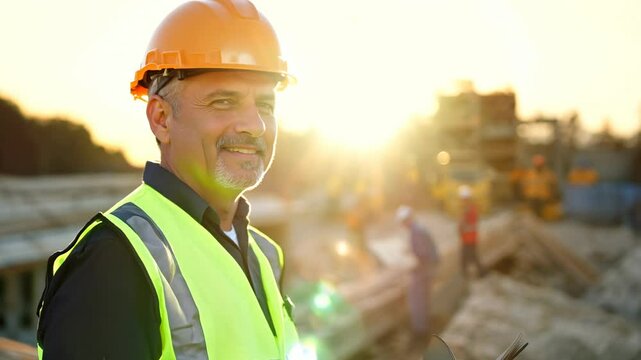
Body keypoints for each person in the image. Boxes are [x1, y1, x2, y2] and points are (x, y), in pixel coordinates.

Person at [35, 1, 299, 359]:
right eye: (224, 101)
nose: (255, 125)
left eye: (265, 105)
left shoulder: (265, 255)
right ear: (161, 118)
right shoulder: (113, 263)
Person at [396, 205, 439, 339]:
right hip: (427, 268)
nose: (402, 225)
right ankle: (424, 326)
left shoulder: (417, 232)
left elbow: (422, 254)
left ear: (408, 219)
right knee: (423, 299)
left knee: (416, 300)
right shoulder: (418, 229)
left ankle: (420, 331)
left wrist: (410, 261)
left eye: (403, 222)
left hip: (423, 270)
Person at [458, 185, 485, 279]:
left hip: (469, 238)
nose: (462, 200)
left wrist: (463, 227)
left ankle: (465, 276)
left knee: (467, 258)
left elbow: (472, 225)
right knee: (471, 257)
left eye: (463, 198)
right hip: (467, 238)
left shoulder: (470, 209)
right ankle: (480, 272)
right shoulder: (467, 208)